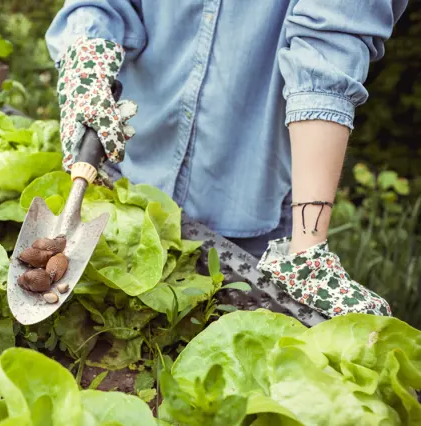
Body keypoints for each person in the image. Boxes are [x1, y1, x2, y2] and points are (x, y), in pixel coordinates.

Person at [45, 0, 408, 318]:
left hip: (248, 207)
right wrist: (87, 61)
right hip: (127, 176)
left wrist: (307, 249)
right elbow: (102, 5)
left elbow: (328, 49)